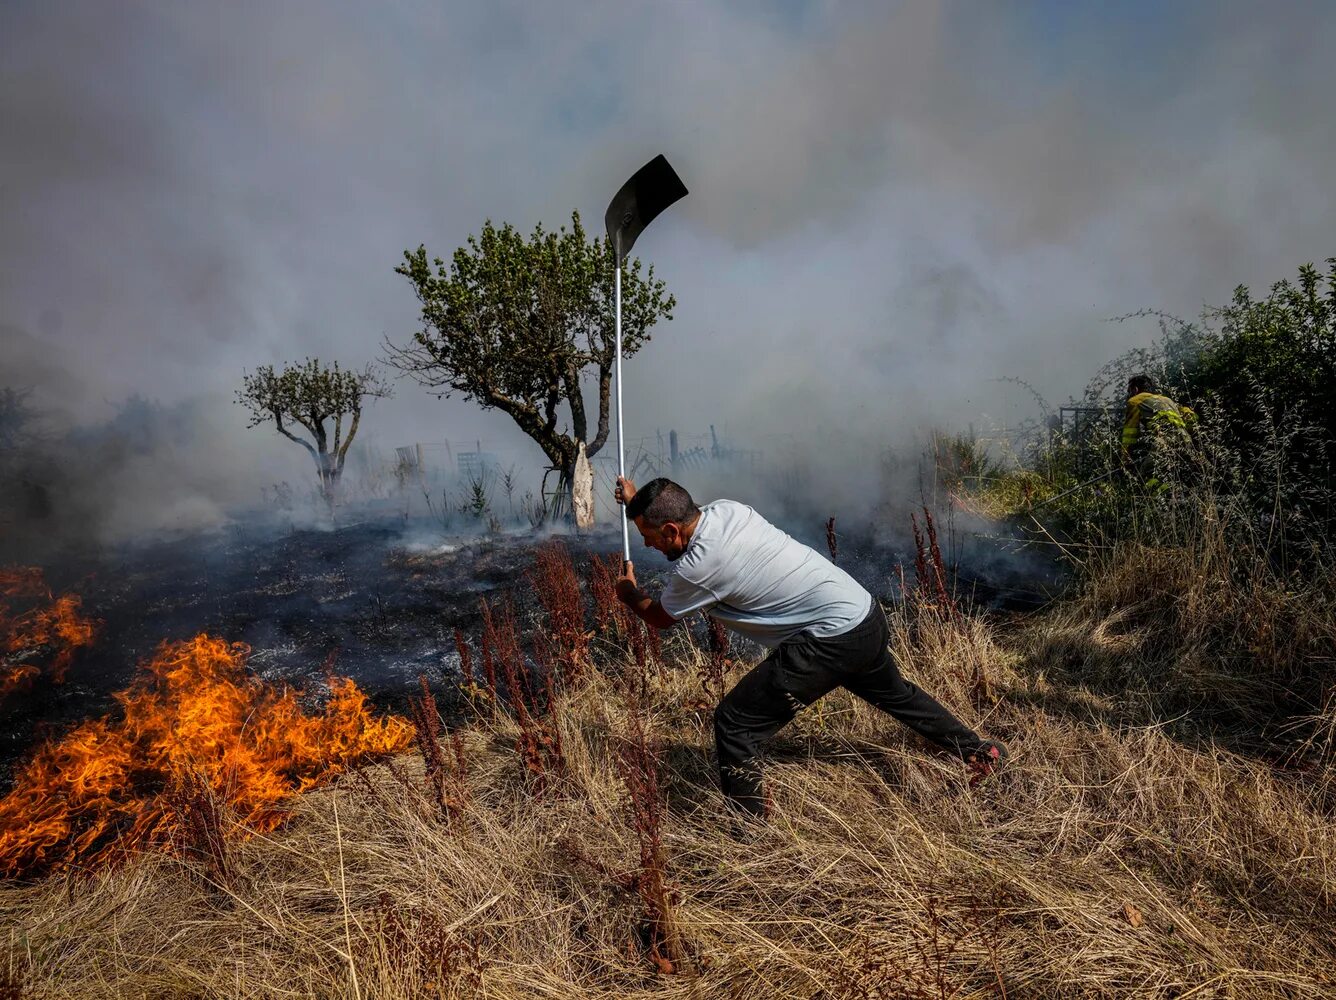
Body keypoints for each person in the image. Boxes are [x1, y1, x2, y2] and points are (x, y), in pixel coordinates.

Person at [613, 476, 1007, 820]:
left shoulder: (697, 567)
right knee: (896, 694)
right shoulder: (727, 510)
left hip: (829, 639)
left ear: (671, 531)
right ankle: (980, 750)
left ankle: (747, 838)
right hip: (861, 613)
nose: (648, 547)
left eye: (649, 538)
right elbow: (671, 508)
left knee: (736, 724)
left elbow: (662, 618)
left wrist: (628, 593)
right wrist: (635, 503)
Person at [1120, 374, 1198, 491]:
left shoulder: (1135, 401)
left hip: (1166, 441)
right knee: (1179, 476)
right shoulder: (1167, 400)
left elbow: (1130, 432)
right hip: (1187, 442)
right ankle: (1182, 500)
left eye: (1129, 391)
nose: (1129, 394)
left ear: (1135, 389)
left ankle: (1165, 501)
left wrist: (1125, 457)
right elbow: (1189, 414)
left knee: (1148, 475)